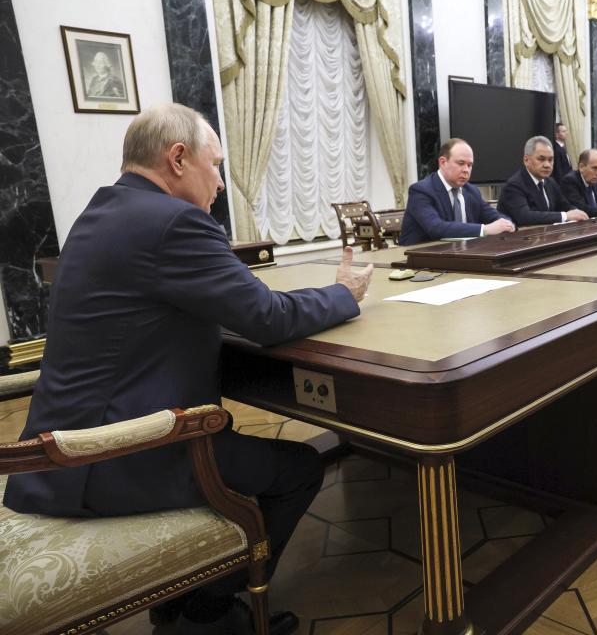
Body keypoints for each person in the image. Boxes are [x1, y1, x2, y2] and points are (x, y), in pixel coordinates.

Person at [3, 103, 374, 635]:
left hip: (61, 444)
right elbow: (268, 317)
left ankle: (182, 598)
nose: (220, 183)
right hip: (119, 453)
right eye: (216, 165)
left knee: (258, 457)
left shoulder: (100, 212)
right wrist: (344, 294)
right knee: (299, 469)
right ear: (178, 158)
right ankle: (210, 607)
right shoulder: (174, 222)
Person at [399, 138, 514, 245]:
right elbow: (436, 228)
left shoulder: (471, 191)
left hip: (461, 254)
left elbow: (494, 216)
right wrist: (484, 229)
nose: (466, 170)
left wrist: (507, 224)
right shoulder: (421, 191)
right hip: (419, 258)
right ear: (443, 162)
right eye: (461, 163)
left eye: (470, 165)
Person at [497, 135, 589, 226]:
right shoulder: (514, 185)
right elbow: (524, 217)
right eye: (541, 159)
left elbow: (564, 206)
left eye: (550, 160)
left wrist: (575, 212)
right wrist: (565, 216)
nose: (547, 165)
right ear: (526, 160)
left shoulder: (550, 182)